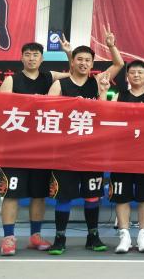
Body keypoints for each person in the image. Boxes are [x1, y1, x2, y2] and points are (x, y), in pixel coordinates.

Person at [46, 28, 124, 255]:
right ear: (72, 61)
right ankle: (60, 238)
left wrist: (111, 45)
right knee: (64, 195)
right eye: (79, 59)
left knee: (92, 195)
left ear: (92, 64)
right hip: (65, 150)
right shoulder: (60, 85)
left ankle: (93, 236)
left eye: (88, 60)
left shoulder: (98, 82)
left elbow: (118, 64)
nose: (83, 63)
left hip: (92, 151)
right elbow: (48, 112)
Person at [0, 40, 71, 255]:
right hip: (15, 147)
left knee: (39, 194)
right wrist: (30, 102)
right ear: (22, 57)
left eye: (35, 55)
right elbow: (2, 109)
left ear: (42, 58)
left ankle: (35, 236)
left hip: (41, 148)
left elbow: (73, 75)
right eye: (27, 54)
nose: (31, 58)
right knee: (11, 193)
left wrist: (69, 53)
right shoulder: (11, 80)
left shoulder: (49, 77)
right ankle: (8, 238)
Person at [110, 60, 144, 254]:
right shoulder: (119, 96)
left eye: (140, 72)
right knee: (122, 197)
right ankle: (124, 236)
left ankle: (142, 236)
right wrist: (103, 91)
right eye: (133, 72)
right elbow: (106, 115)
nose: (136, 75)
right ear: (127, 76)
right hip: (122, 155)